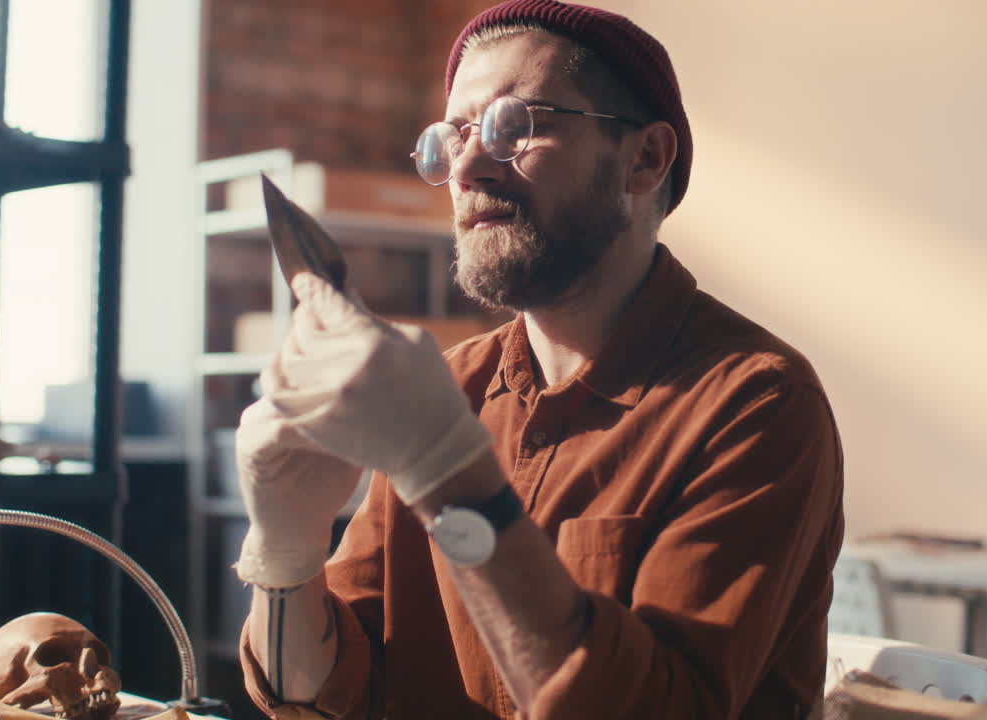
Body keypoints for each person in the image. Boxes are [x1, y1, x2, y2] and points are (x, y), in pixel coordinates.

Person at [232, 1, 845, 718]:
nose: (465, 165)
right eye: (452, 137)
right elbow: (328, 699)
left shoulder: (755, 406)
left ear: (644, 159)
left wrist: (445, 472)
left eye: (512, 126)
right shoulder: (451, 391)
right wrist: (284, 550)